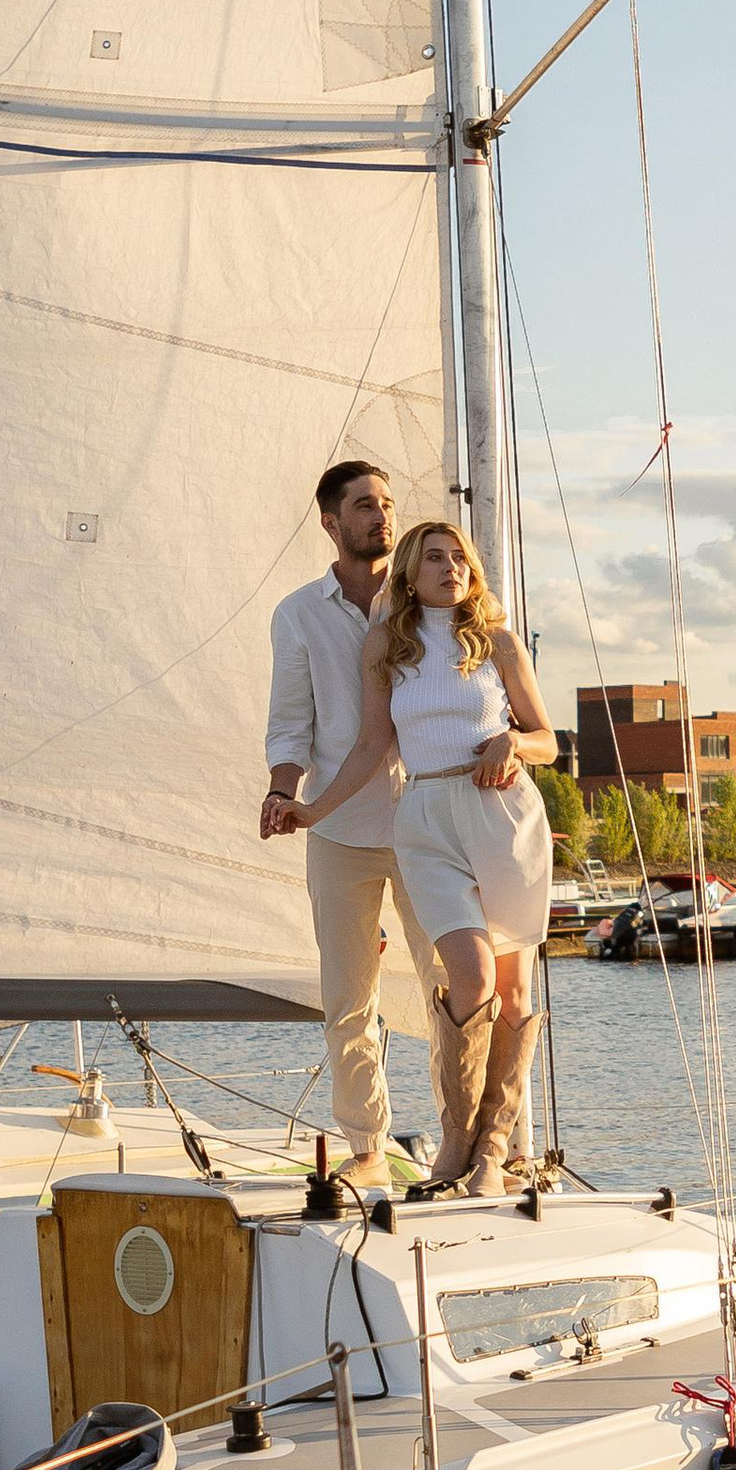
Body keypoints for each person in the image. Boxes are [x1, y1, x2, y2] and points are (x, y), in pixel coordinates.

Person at [269, 518, 555, 1196]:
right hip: (424, 817)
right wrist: (311, 807)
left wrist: (512, 745)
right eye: (435, 557)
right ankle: (457, 1140)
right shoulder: (385, 646)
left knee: (512, 990)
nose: (451, 566)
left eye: (460, 557)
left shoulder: (498, 642)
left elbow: (547, 738)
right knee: (470, 973)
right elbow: (371, 747)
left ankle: (487, 1153)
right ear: (410, 571)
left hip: (501, 817)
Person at [261, 461, 445, 1180]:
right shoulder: (298, 614)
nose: (382, 516)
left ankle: (480, 1146)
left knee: (454, 991)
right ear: (332, 524)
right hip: (339, 831)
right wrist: (283, 792)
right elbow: (290, 726)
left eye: (389, 504)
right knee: (348, 1001)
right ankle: (368, 1150)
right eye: (366, 506)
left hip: (432, 823)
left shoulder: (429, 604)